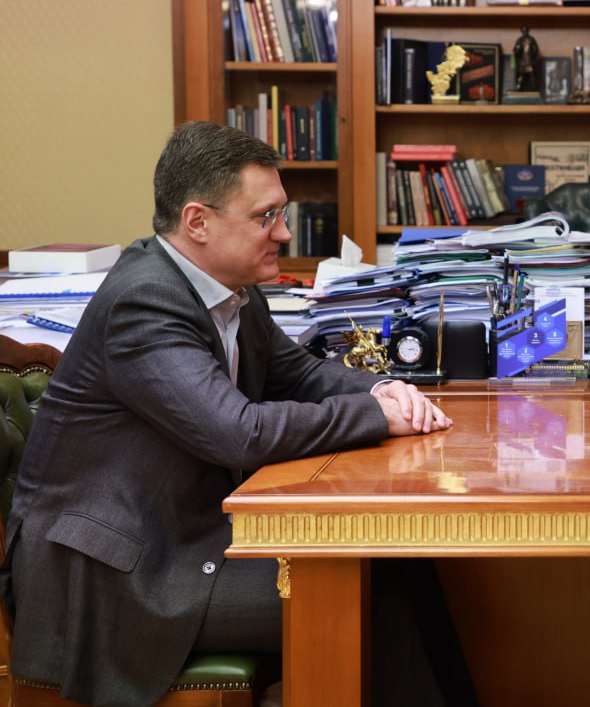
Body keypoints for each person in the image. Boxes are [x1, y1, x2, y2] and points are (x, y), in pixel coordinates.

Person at [1, 122, 475, 706]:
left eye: (282, 213)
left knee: (404, 561)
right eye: (265, 217)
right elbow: (238, 432)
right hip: (113, 575)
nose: (284, 232)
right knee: (367, 584)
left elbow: (298, 374)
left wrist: (387, 389)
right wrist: (375, 417)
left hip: (185, 534)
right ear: (197, 222)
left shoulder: (229, 287)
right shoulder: (143, 301)